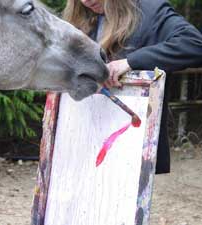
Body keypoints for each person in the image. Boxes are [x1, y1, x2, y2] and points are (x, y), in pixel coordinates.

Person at [63, 0, 202, 174]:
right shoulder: (76, 18)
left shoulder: (148, 10)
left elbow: (195, 44)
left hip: (127, 149)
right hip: (80, 146)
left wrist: (131, 62)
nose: (86, 1)